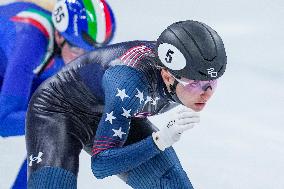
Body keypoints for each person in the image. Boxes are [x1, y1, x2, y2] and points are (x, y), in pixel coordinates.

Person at [26, 20, 227, 189]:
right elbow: (101, 165)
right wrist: (159, 140)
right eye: (194, 83)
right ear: (167, 76)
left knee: (172, 184)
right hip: (58, 110)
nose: (206, 93)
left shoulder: (180, 76)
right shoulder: (128, 83)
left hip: (114, 108)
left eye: (212, 84)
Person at [0, 0, 115, 188]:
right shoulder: (30, 39)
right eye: (77, 49)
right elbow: (3, 122)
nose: (81, 59)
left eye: (91, 52)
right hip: (15, 57)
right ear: (59, 36)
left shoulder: (70, 49)